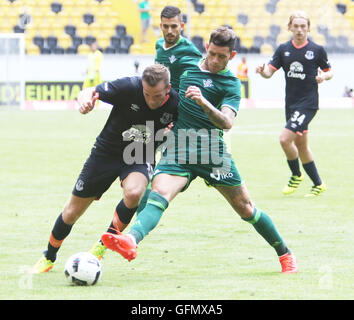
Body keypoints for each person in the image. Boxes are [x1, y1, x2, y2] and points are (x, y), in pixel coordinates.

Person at [101, 26, 299, 274]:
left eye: (222, 57)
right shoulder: (186, 69)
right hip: (179, 146)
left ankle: (285, 254)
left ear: (232, 56)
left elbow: (227, 122)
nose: (215, 60)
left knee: (246, 207)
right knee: (159, 193)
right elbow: (160, 79)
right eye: (213, 53)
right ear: (207, 48)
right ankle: (131, 240)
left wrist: (204, 102)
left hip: (211, 151)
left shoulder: (231, 84)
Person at [31, 64, 179, 273]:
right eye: (146, 94)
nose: (151, 100)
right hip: (106, 152)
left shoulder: (176, 102)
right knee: (72, 211)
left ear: (168, 88)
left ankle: (104, 243)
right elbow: (90, 92)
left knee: (135, 192)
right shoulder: (129, 86)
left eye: (156, 96)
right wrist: (85, 101)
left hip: (140, 153)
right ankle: (49, 256)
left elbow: (180, 132)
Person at [256, 11, 333, 197]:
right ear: (289, 28)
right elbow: (269, 73)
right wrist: (262, 71)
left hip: (308, 104)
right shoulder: (283, 49)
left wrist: (323, 76)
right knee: (301, 145)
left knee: (284, 139)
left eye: (303, 26)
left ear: (308, 28)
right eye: (296, 26)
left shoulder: (316, 49)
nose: (299, 30)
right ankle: (318, 184)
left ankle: (296, 175)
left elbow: (329, 71)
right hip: (291, 104)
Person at [135, 5, 203, 216]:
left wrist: (177, 117)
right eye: (166, 26)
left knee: (164, 166)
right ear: (161, 26)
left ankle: (142, 212)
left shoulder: (190, 51)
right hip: (157, 113)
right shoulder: (158, 46)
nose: (170, 31)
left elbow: (191, 86)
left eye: (174, 26)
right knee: (142, 161)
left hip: (176, 117)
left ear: (182, 26)